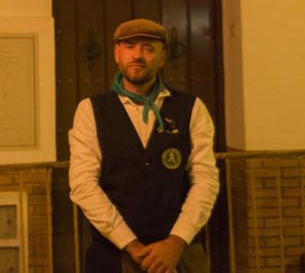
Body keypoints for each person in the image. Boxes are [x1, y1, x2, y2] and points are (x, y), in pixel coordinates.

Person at [68, 18, 220, 273]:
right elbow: (83, 184)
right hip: (113, 256)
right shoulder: (91, 110)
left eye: (148, 48)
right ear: (117, 54)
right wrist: (131, 245)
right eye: (129, 46)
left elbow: (206, 180)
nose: (138, 55)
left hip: (179, 257)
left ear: (162, 57)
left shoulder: (192, 108)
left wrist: (176, 242)